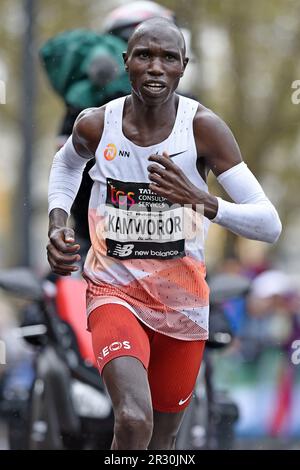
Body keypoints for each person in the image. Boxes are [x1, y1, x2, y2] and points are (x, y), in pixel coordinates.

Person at [46, 18, 282, 450]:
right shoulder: (96, 125)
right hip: (114, 293)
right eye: (144, 55)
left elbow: (269, 224)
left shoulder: (204, 129)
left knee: (163, 442)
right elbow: (65, 166)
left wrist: (200, 200)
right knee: (134, 421)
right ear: (126, 63)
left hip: (183, 305)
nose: (156, 67)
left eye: (168, 58)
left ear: (183, 67)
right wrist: (58, 221)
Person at [41, 1, 176, 247]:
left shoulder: (80, 104)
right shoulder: (93, 115)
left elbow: (68, 170)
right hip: (123, 249)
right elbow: (67, 166)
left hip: (92, 238)